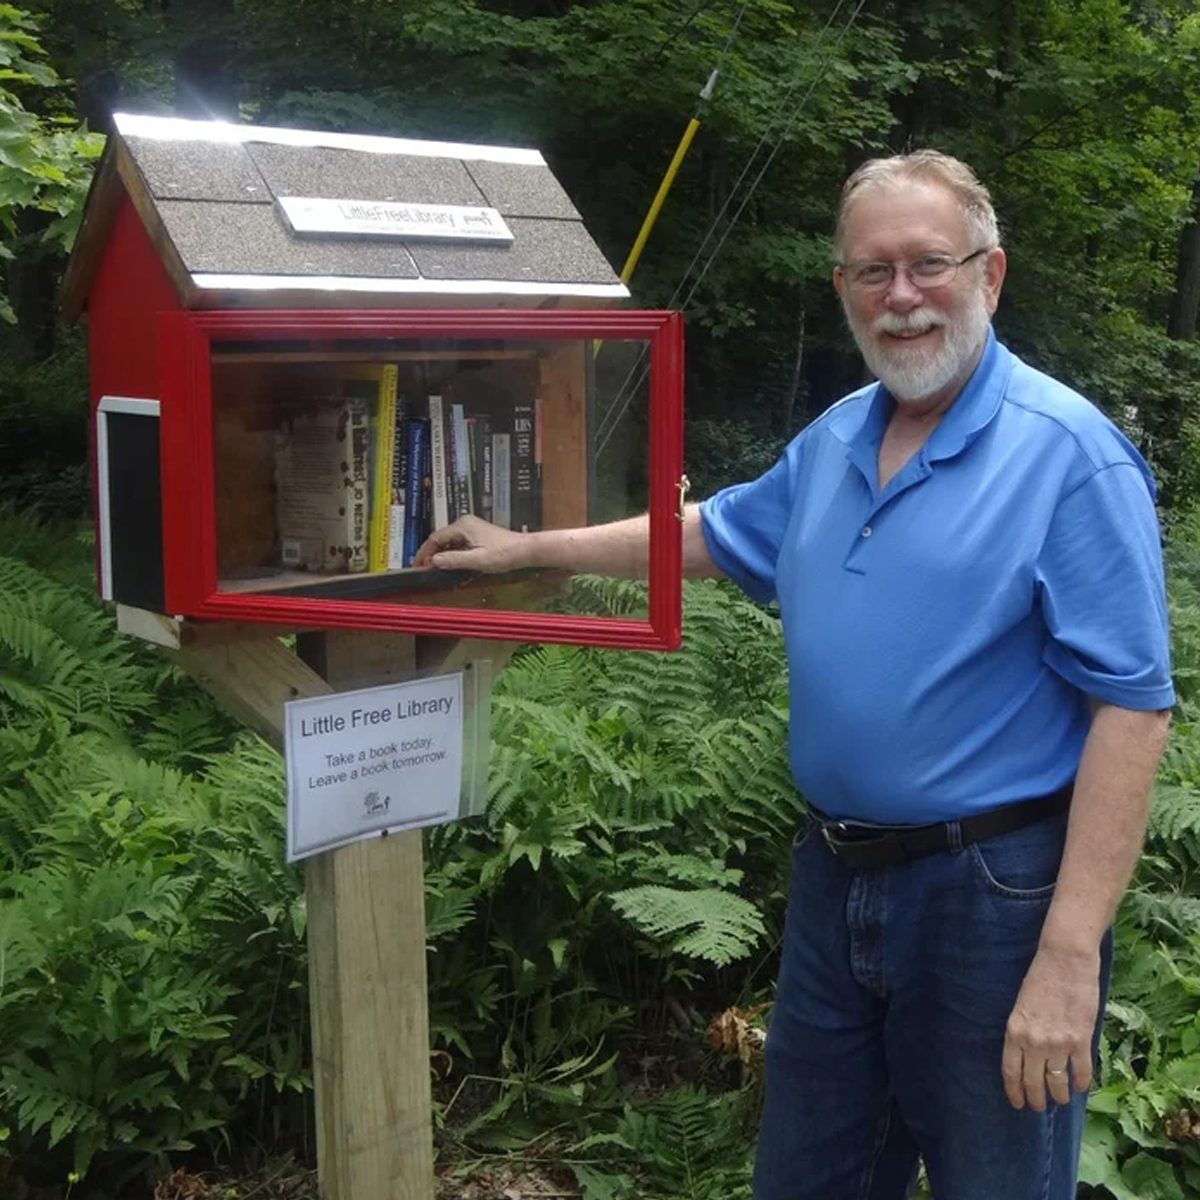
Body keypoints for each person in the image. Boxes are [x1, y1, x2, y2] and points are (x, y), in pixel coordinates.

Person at [414, 150, 1174, 1200]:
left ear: (991, 276)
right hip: (834, 881)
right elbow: (708, 537)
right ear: (843, 292)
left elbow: (1131, 710)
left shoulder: (1069, 455)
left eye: (928, 265)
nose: (901, 297)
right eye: (873, 272)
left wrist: (1070, 953)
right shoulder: (833, 441)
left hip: (994, 902)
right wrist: (524, 550)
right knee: (809, 1178)